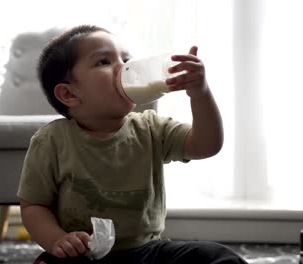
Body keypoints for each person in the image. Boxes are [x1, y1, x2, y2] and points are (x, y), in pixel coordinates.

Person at [18, 24, 246, 264]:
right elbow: (34, 205)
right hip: (84, 253)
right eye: (104, 62)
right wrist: (58, 240)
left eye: (126, 59)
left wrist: (200, 93)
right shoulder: (51, 141)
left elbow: (206, 145)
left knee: (216, 257)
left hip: (148, 252)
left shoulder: (151, 128)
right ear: (69, 94)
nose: (124, 67)